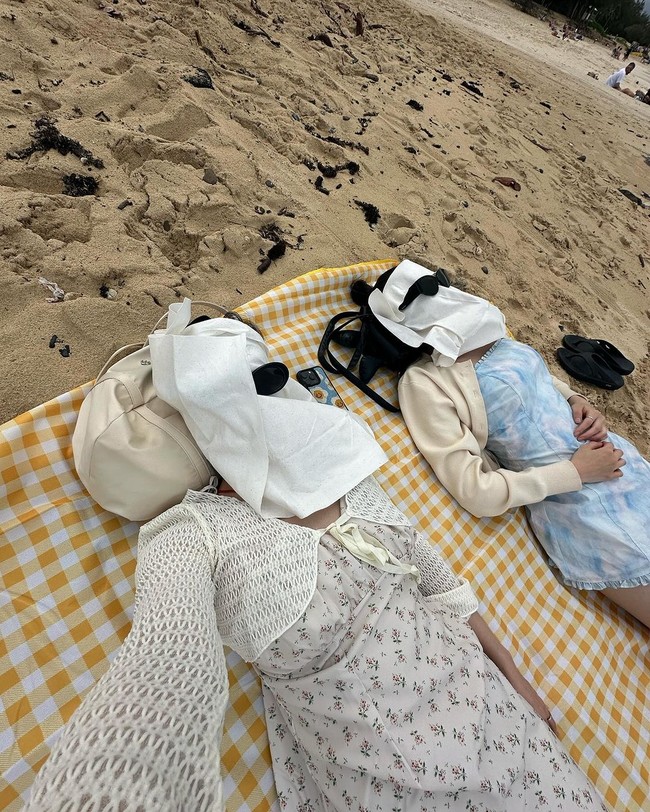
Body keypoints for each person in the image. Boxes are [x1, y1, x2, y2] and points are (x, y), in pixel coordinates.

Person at [24, 316, 608, 811]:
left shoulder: (343, 471)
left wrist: (518, 684)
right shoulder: (191, 533)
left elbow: (442, 589)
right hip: (387, 776)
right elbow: (163, 668)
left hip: (504, 725)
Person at [384, 261, 650, 629]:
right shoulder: (425, 382)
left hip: (622, 463)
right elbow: (475, 491)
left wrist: (575, 400)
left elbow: (539, 380)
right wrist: (576, 472)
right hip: (587, 514)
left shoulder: (483, 328)